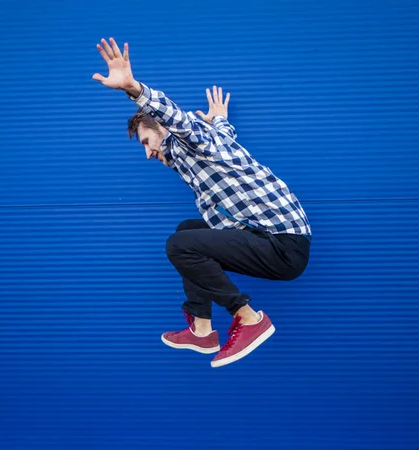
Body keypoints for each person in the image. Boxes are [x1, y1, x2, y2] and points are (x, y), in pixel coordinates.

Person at [93, 37, 311, 368]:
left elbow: (179, 121)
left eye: (148, 142)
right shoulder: (206, 148)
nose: (148, 153)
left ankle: (248, 318)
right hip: (268, 241)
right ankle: (202, 329)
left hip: (282, 246)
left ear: (163, 129)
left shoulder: (189, 142)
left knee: (179, 245)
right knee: (189, 229)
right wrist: (221, 119)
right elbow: (225, 141)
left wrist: (134, 88)